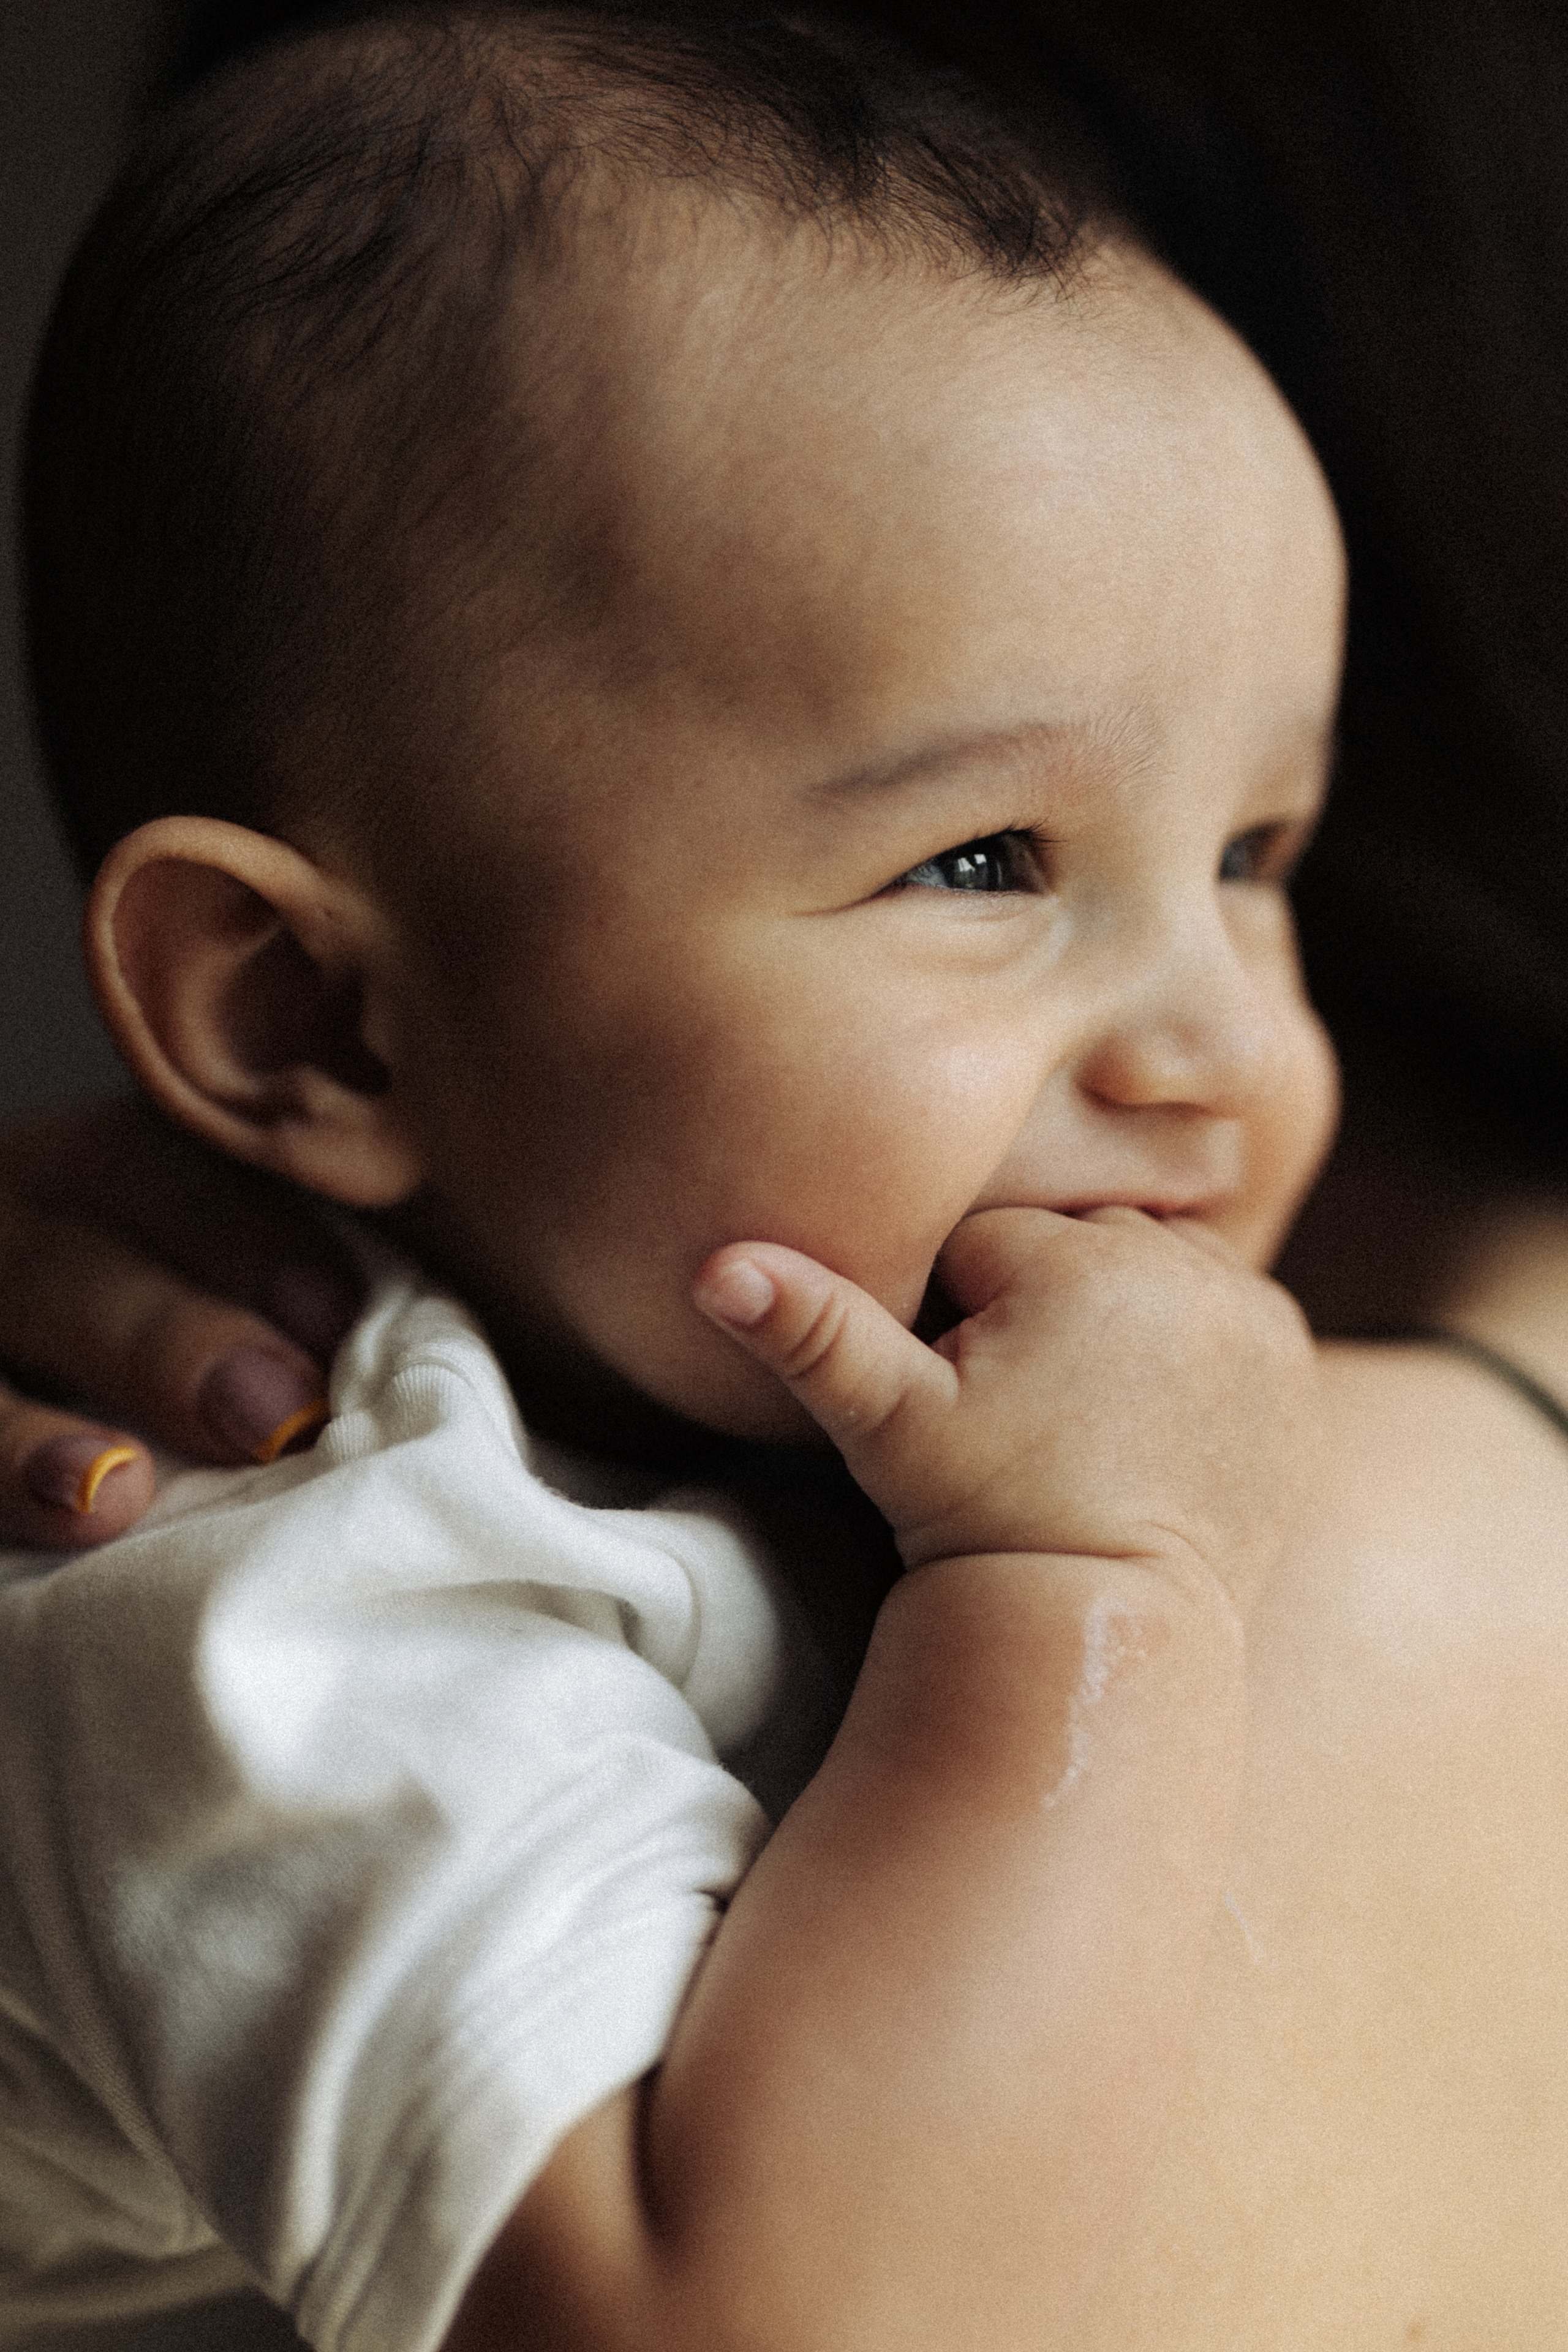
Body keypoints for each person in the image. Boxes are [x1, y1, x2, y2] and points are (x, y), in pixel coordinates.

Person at [6, 8, 1568, 2352]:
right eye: (981, 857)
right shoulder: (304, 1613)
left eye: (1255, 855)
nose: (1226, 1049)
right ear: (307, 1018)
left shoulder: (751, 1437)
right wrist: (1089, 1585)